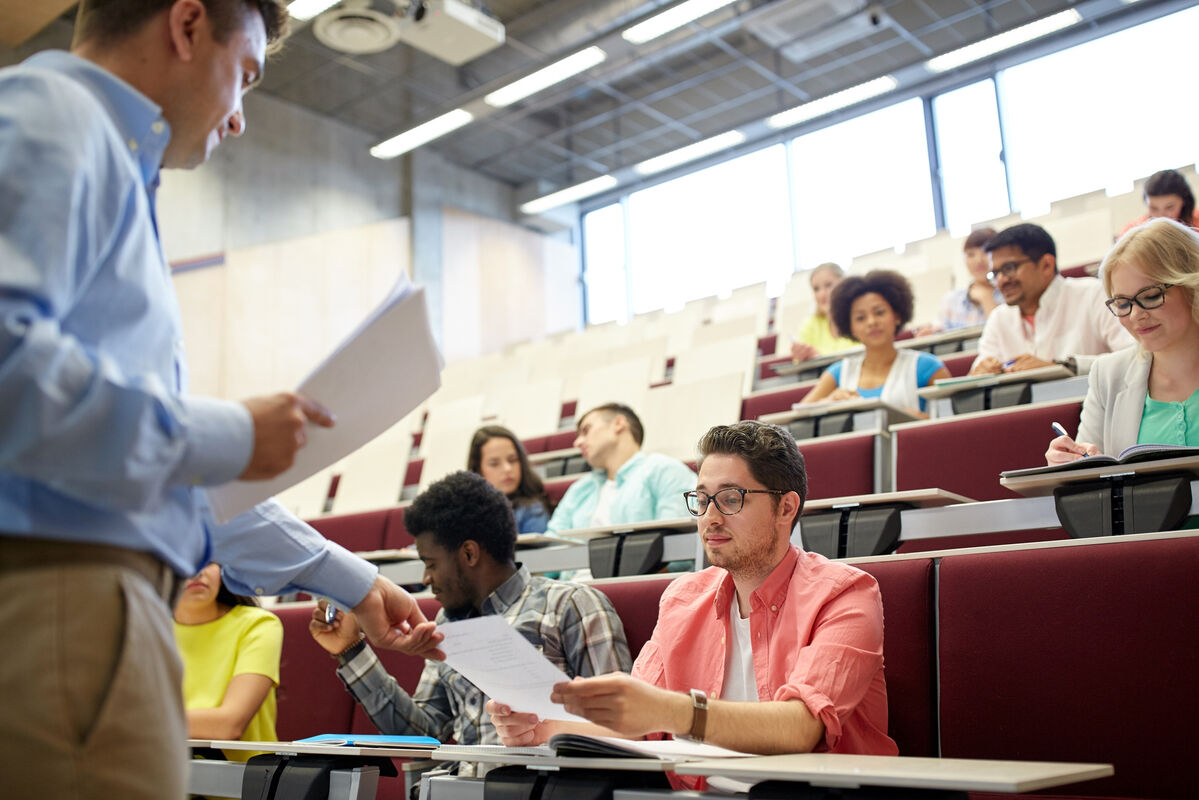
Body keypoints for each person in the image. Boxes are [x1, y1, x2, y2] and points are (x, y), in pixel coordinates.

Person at [0, 3, 439, 797]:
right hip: (60, 596)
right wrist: (224, 430)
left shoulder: (103, 158)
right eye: (246, 75)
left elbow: (160, 469)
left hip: (88, 595)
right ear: (188, 25)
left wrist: (357, 583)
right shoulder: (56, 117)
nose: (238, 118)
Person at [488, 422, 896, 790]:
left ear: (786, 507)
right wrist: (539, 728)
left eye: (730, 499)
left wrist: (673, 711)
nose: (710, 518)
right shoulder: (683, 598)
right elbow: (640, 725)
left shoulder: (846, 593)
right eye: (701, 499)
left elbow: (802, 727)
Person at [309, 471, 631, 776]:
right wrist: (352, 651)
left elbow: (625, 729)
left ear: (469, 554)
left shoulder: (572, 604)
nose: (425, 579)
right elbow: (421, 734)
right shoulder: (448, 623)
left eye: (431, 564)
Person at [1048, 218, 1199, 464]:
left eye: (1150, 296)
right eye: (1122, 304)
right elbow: (1086, 475)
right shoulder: (1109, 375)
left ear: (1193, 285)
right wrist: (1069, 465)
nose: (1136, 315)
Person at [969, 223, 1133, 376]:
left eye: (1009, 268)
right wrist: (982, 371)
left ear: (1046, 265)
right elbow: (979, 369)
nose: (1001, 281)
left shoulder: (1093, 295)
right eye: (995, 273)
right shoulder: (999, 318)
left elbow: (1135, 356)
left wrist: (1063, 367)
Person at [801, 270, 949, 417]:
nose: (871, 322)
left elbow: (954, 422)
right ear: (850, 327)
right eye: (860, 318)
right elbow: (799, 416)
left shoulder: (927, 366)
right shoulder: (838, 372)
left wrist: (910, 418)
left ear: (896, 315)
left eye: (879, 312)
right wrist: (829, 401)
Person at [174, 562, 282, 761]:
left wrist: (135, 723)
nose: (198, 571)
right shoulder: (147, 630)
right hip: (162, 777)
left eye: (207, 560)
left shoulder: (259, 624)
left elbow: (229, 725)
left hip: (241, 785)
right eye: (183, 559)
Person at [545, 403, 696, 534]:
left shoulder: (664, 470)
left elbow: (678, 545)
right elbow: (552, 544)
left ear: (618, 424)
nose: (577, 442)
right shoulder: (579, 489)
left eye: (586, 430)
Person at [467, 425, 551, 533]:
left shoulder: (532, 510)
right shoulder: (467, 510)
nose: (507, 469)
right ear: (478, 469)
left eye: (513, 460)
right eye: (494, 464)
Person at [926, 227, 1003, 332]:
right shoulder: (951, 300)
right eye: (971, 254)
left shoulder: (1008, 294)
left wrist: (986, 299)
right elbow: (938, 334)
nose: (978, 260)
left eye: (985, 252)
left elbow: (1004, 334)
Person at [789, 263, 857, 362]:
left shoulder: (859, 319)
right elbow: (798, 364)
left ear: (844, 284)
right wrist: (802, 356)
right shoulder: (810, 325)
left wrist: (819, 358)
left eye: (828, 285)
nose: (822, 294)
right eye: (816, 289)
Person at [1118, 169, 1199, 238]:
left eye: (1169, 207)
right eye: (1153, 208)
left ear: (1184, 201)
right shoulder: (1132, 232)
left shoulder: (1197, 222)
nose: (1161, 216)